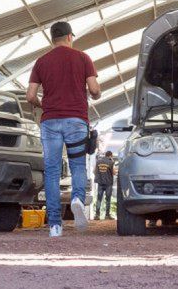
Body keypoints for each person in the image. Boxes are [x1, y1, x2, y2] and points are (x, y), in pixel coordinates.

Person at [27, 22, 101, 237]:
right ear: (70, 36)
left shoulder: (41, 62)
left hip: (50, 122)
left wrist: (45, 105)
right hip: (76, 121)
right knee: (78, 165)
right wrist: (95, 95)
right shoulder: (83, 58)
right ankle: (77, 198)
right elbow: (94, 89)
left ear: (53, 39)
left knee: (51, 171)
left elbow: (30, 96)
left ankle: (55, 225)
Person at [94, 151, 116, 220]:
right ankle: (107, 215)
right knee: (108, 199)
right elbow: (114, 173)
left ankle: (97, 215)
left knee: (99, 199)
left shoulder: (98, 161)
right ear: (110, 155)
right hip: (108, 183)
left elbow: (94, 171)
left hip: (100, 183)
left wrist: (100, 176)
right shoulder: (111, 162)